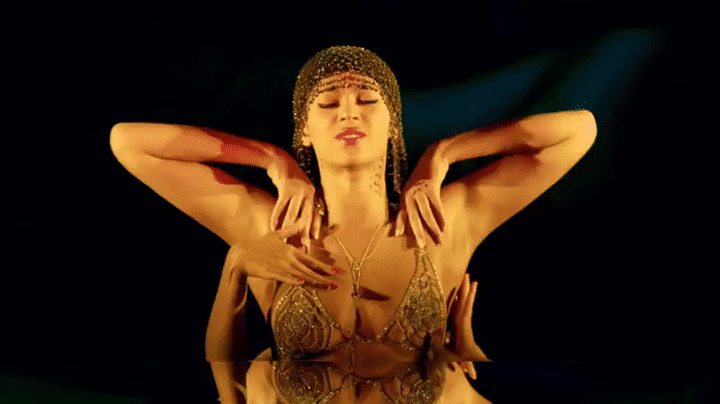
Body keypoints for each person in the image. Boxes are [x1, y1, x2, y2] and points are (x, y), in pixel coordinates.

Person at [111, 45, 594, 403]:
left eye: (367, 100)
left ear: (393, 124)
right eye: (327, 103)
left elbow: (578, 130)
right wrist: (271, 159)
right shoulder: (269, 224)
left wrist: (444, 153)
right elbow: (129, 142)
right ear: (305, 129)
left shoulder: (445, 221)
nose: (348, 111)